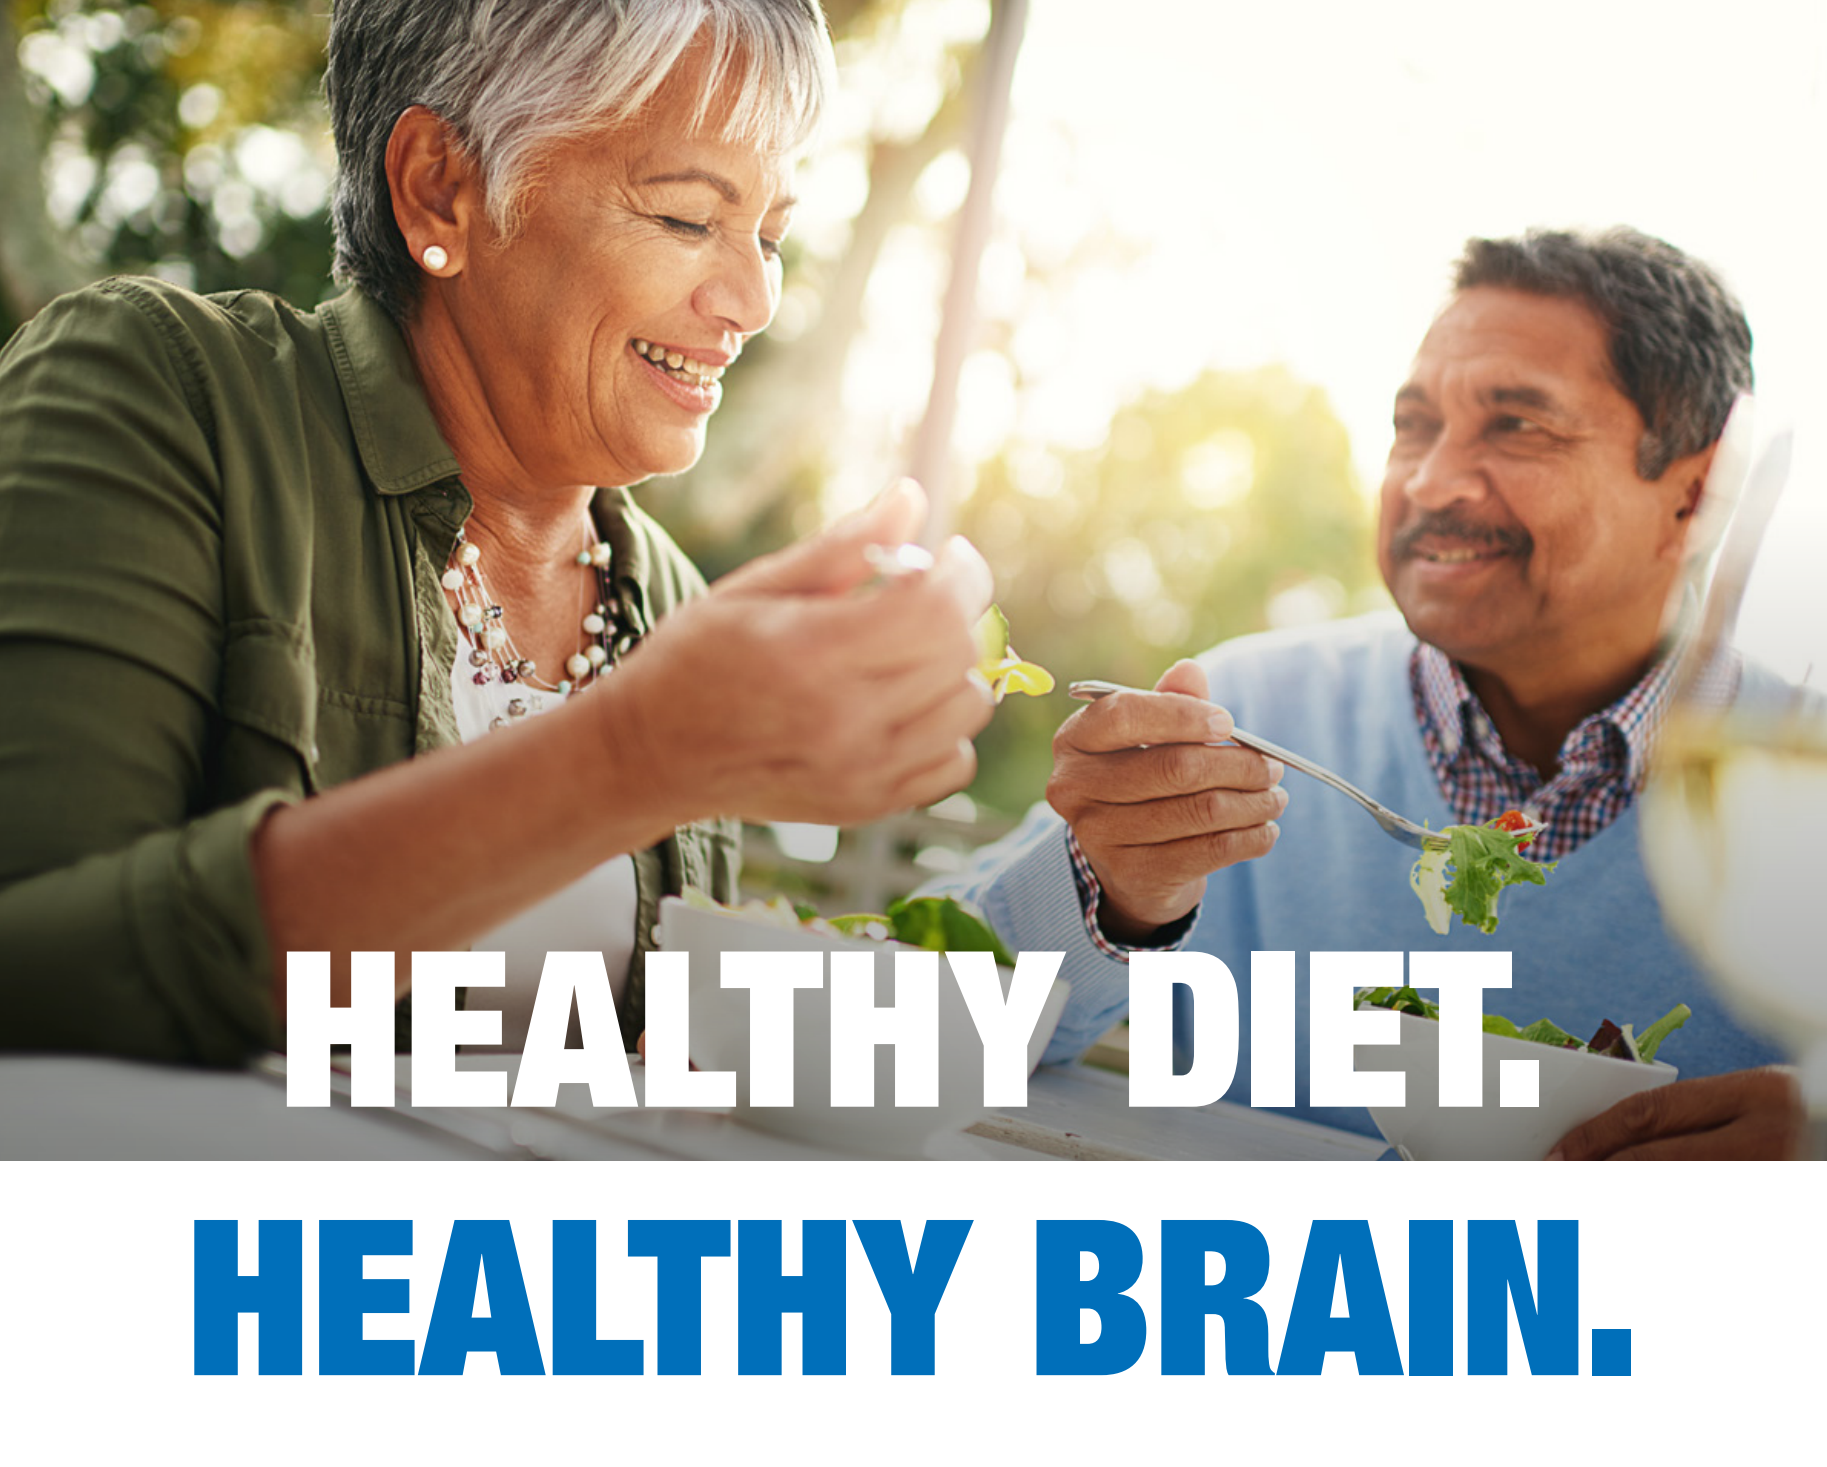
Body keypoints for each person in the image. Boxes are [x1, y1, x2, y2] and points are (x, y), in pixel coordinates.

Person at [0, 0, 993, 1066]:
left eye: (770, 237)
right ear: (441, 187)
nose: (751, 300)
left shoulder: (671, 601)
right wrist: (631, 757)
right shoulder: (170, 395)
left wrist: (1089, 901)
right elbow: (36, 968)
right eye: (684, 218)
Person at [932, 227, 1805, 1160]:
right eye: (1413, 426)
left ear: (1695, 493)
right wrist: (1108, 892)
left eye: (1516, 425)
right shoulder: (1240, 717)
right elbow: (904, 1033)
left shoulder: (1801, 778)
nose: (1429, 480)